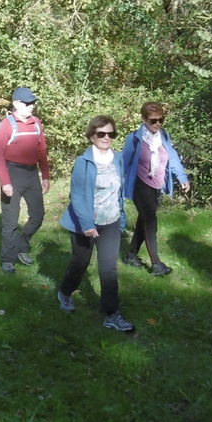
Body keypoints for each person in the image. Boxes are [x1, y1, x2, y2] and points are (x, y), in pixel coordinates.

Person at [57, 116, 133, 332]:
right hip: (85, 223)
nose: (106, 137)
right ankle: (65, 292)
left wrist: (120, 217)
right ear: (92, 136)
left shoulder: (118, 158)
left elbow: (119, 190)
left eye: (111, 133)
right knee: (80, 263)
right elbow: (77, 196)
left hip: (110, 222)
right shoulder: (83, 162)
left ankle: (111, 313)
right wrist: (87, 224)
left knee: (108, 269)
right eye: (101, 134)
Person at [119, 101, 191, 276]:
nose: (158, 123)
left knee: (144, 220)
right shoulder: (134, 139)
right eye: (153, 120)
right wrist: (116, 187)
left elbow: (172, 157)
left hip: (157, 185)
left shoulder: (164, 136)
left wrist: (182, 177)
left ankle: (131, 256)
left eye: (161, 119)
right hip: (139, 185)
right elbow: (123, 163)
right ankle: (156, 264)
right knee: (151, 221)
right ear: (144, 119)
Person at [0, 86, 51, 274]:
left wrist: (45, 176)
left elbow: (42, 151)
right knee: (10, 221)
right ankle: (8, 259)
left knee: (38, 216)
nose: (31, 106)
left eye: (33, 103)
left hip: (31, 174)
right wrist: (5, 182)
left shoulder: (36, 123)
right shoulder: (7, 125)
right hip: (12, 174)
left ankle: (21, 245)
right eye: (27, 103)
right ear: (16, 104)